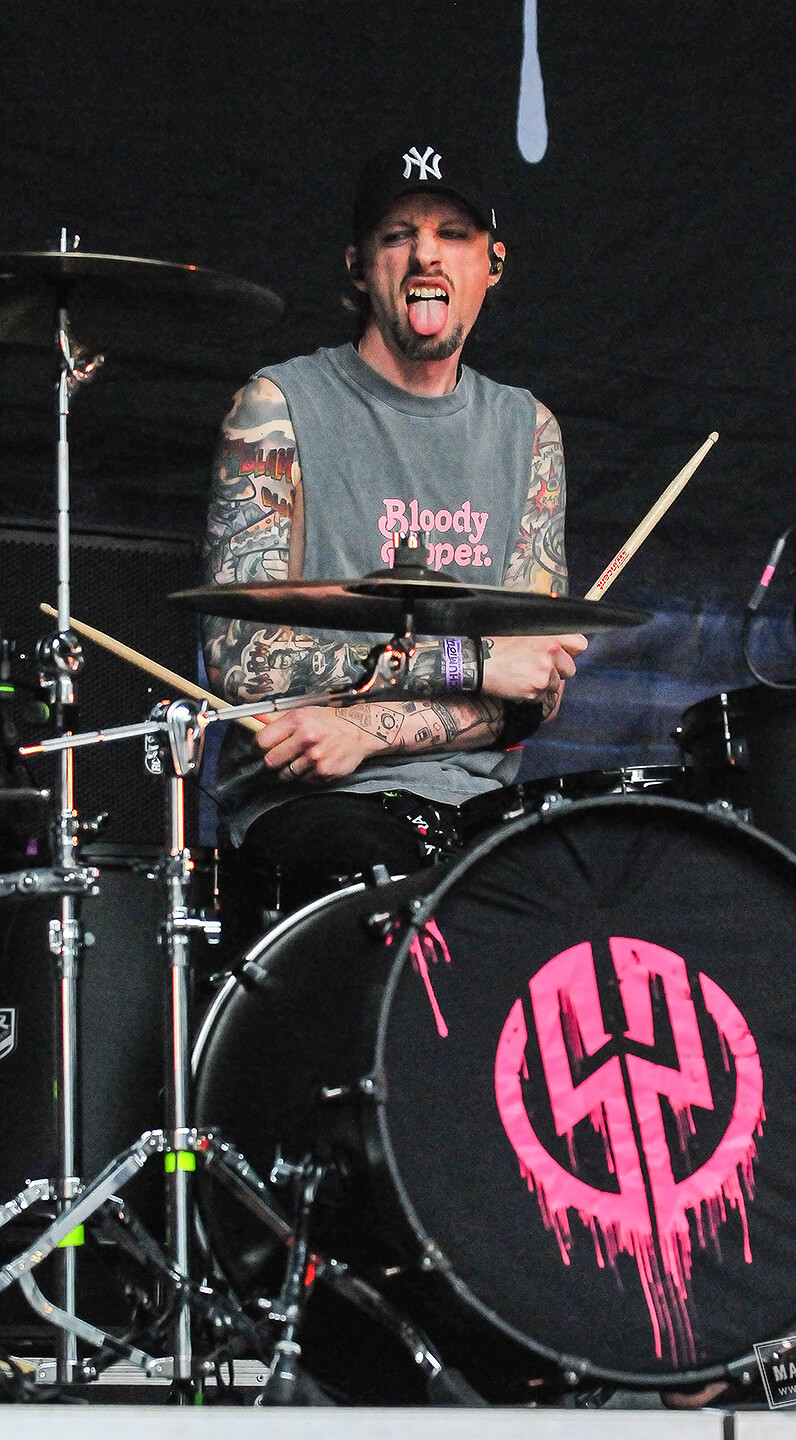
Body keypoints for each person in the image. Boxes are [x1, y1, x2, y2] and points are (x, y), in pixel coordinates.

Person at [200, 141, 587, 926]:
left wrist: (364, 729)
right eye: (398, 235)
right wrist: (473, 662)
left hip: (480, 805)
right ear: (357, 266)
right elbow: (243, 662)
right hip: (312, 806)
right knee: (381, 893)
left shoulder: (529, 430)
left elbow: (532, 694)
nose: (425, 256)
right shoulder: (276, 409)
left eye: (453, 234)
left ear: (493, 264)